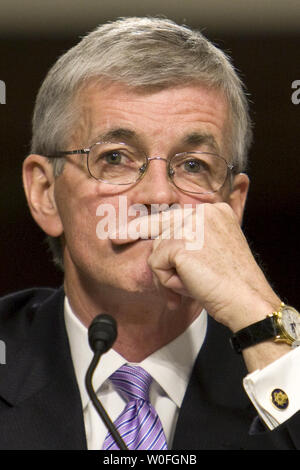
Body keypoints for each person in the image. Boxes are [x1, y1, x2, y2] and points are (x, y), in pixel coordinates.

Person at [0, 16, 299, 450]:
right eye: (116, 158)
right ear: (46, 194)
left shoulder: (283, 366)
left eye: (194, 165)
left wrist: (261, 323)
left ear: (232, 206)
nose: (158, 194)